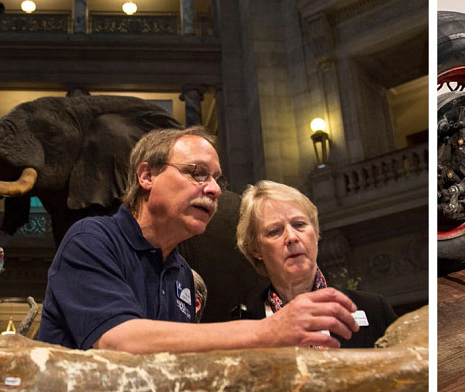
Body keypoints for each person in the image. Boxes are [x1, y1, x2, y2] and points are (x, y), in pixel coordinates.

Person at [37, 127, 361, 352]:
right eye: (197, 173)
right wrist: (268, 329)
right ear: (147, 176)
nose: (215, 190)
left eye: (217, 179)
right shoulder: (91, 240)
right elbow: (118, 341)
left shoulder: (182, 274)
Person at [209, 181, 396, 347]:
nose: (291, 237)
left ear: (315, 232)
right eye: (275, 231)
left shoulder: (373, 309)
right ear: (255, 250)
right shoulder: (244, 326)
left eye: (299, 224)